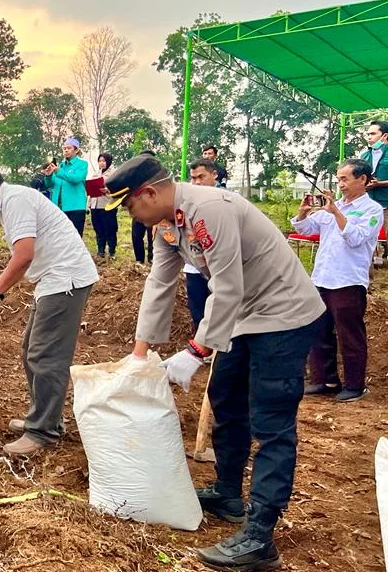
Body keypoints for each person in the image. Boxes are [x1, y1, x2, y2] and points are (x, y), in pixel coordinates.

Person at [105, 153, 325, 571]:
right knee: (226, 402)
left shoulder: (209, 209)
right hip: (244, 318)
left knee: (271, 422)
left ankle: (261, 537)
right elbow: (159, 282)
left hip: (283, 315)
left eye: (130, 206)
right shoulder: (167, 223)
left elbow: (227, 287)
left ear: (149, 192)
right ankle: (228, 493)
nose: (131, 216)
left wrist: (196, 350)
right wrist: (139, 350)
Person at [0, 158, 98, 455]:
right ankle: (46, 419)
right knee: (30, 349)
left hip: (65, 280)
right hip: (53, 281)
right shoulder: (10, 200)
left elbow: (23, 255)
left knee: (46, 355)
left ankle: (42, 431)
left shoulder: (15, 200)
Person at [291, 158, 382, 403]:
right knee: (319, 331)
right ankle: (325, 379)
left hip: (348, 280)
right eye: (338, 178)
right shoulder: (335, 205)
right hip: (322, 277)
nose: (340, 184)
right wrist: (303, 212)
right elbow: (308, 229)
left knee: (349, 334)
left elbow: (356, 238)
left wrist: (337, 213)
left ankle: (355, 385)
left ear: (362, 179)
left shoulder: (371, 211)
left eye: (345, 178)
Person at [185, 158, 221, 329]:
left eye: (201, 177)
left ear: (214, 175)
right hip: (194, 265)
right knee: (197, 307)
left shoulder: (227, 200)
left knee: (218, 305)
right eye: (193, 178)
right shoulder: (185, 202)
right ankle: (200, 343)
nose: (197, 182)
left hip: (220, 265)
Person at [36, 137, 89, 235]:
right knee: (60, 236)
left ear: (76, 150)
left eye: (69, 148)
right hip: (59, 207)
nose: (66, 150)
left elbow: (76, 178)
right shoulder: (60, 165)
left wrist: (58, 171)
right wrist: (48, 175)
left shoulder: (82, 164)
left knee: (74, 236)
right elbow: (50, 184)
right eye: (64, 148)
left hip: (75, 207)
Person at [360, 121, 388, 261]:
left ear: (385, 136)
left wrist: (380, 183)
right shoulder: (365, 156)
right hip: (369, 204)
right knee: (365, 241)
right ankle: (366, 280)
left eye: (373, 133)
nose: (369, 137)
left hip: (386, 204)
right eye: (368, 134)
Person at [88, 153, 117, 259]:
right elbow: (91, 191)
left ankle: (112, 251)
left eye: (104, 161)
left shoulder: (114, 174)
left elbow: (118, 188)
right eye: (100, 161)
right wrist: (89, 205)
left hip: (108, 204)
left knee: (110, 228)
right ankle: (100, 250)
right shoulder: (96, 174)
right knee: (98, 229)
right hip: (95, 205)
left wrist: (108, 190)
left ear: (108, 162)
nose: (102, 163)